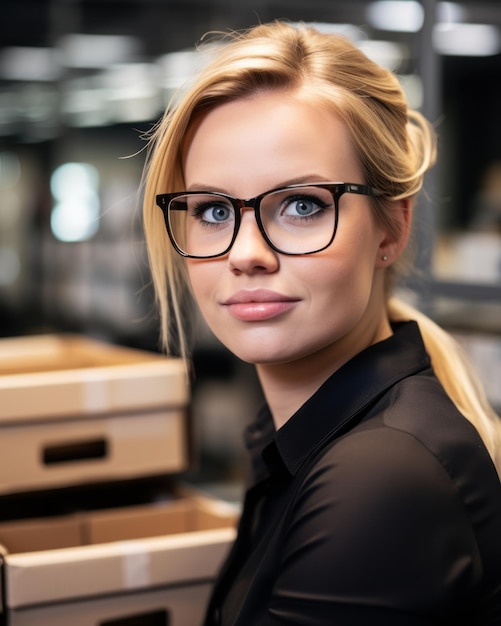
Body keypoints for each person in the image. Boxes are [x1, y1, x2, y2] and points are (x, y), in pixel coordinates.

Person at [141, 21, 501, 625]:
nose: (245, 253)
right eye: (212, 210)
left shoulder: (380, 480)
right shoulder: (310, 441)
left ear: (393, 227)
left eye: (301, 205)